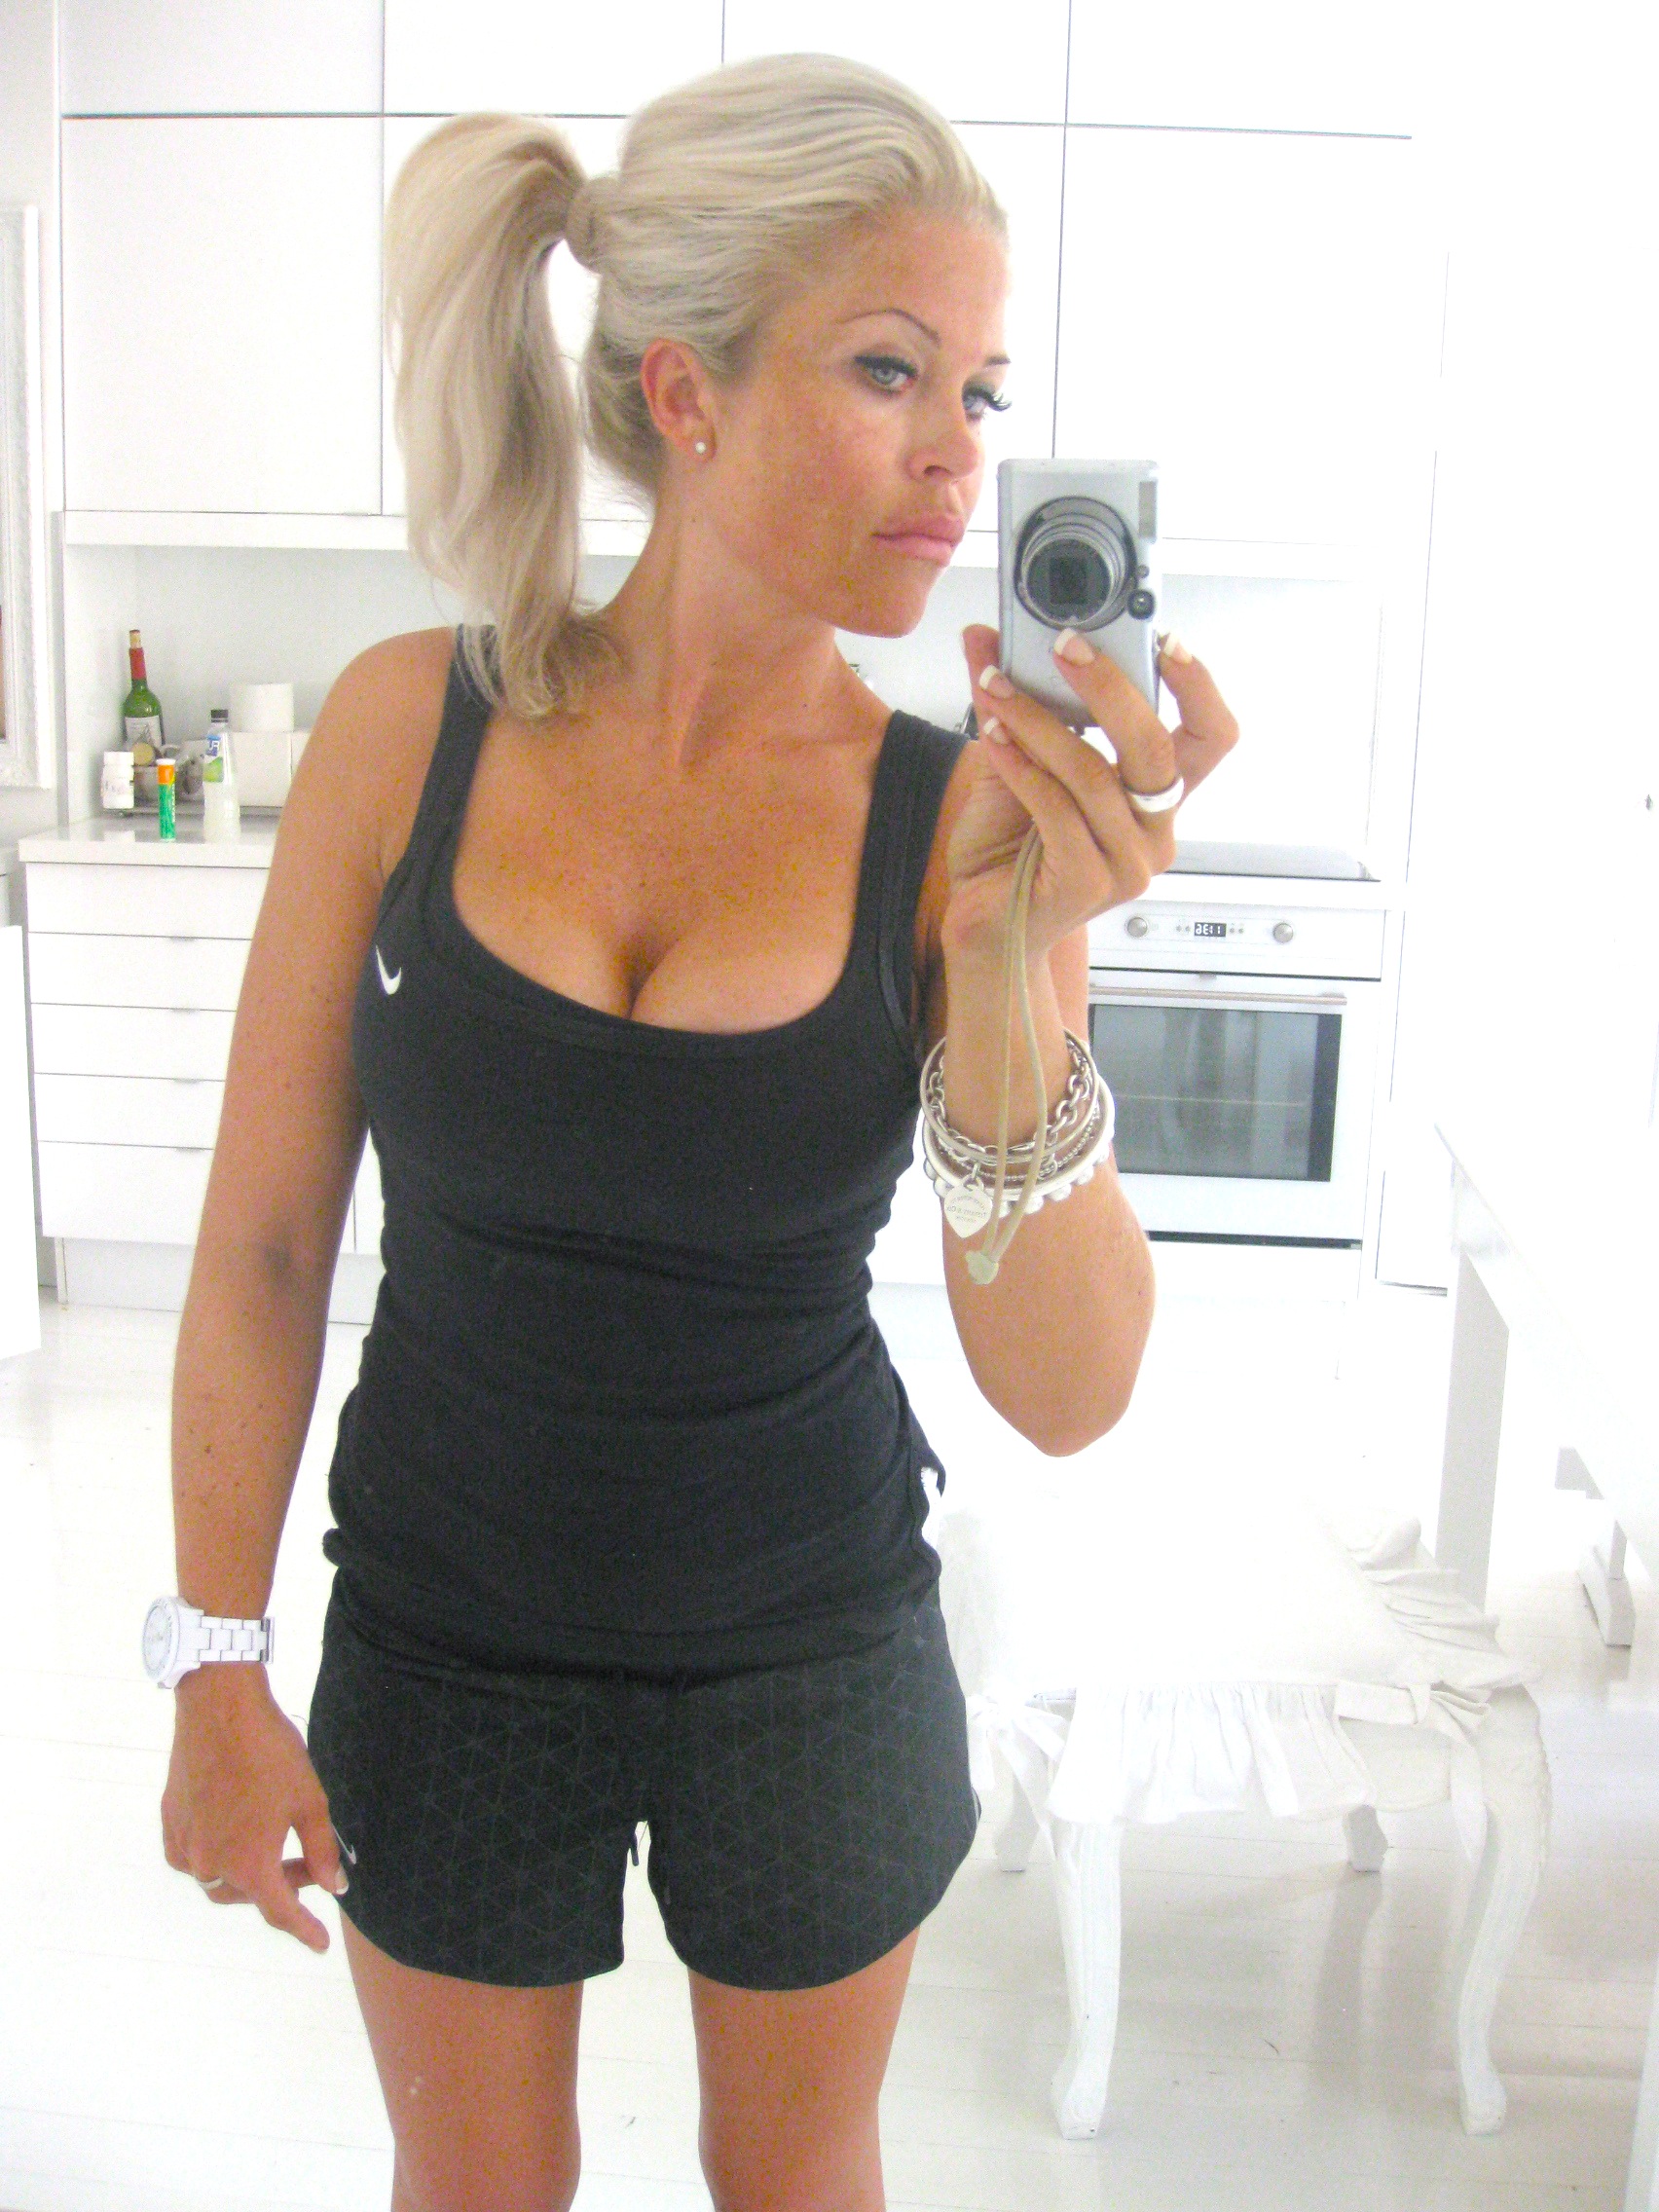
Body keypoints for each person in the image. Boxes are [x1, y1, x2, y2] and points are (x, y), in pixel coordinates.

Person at [155, 51, 1238, 2212]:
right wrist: (213, 1657)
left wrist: (1013, 958)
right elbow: (267, 1247)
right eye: (889, 370)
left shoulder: (963, 822)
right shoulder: (403, 730)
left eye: (981, 393)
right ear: (688, 391)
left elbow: (1068, 1388)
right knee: (475, 2186)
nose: (958, 456)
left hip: (810, 1644)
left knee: (798, 2182)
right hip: (442, 1629)